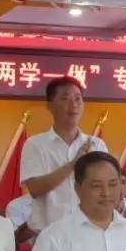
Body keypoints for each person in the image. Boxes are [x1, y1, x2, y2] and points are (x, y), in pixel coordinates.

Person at [19, 76, 108, 232]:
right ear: (50, 105)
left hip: (89, 233)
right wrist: (73, 164)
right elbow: (35, 189)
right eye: (65, 98)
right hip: (48, 234)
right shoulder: (35, 144)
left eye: (78, 99)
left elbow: (106, 188)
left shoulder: (96, 145)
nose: (73, 105)